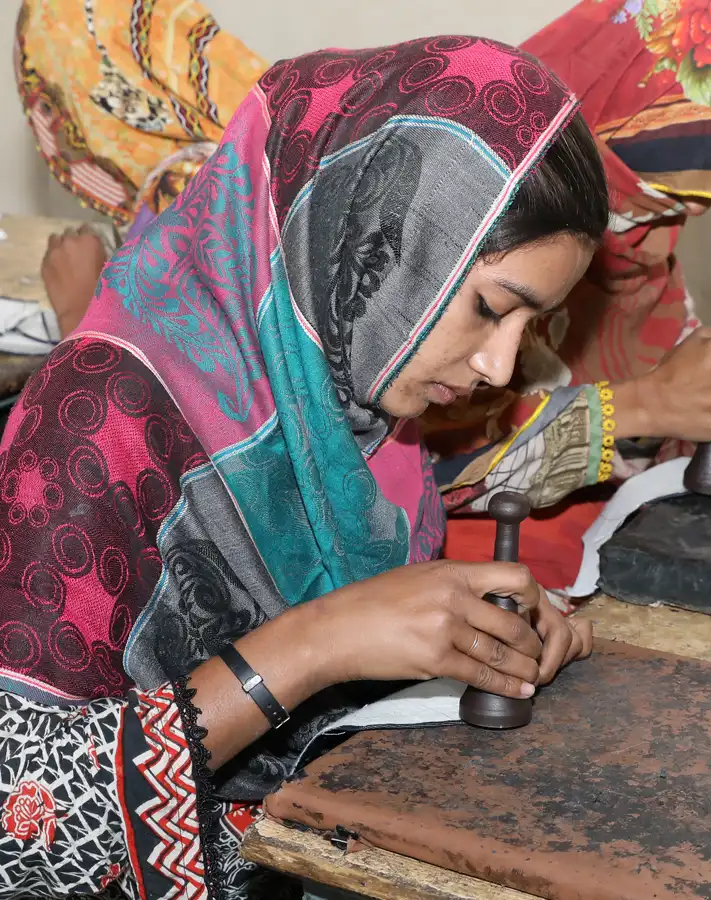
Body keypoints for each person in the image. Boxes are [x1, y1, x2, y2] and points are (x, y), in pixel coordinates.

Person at [0, 37, 600, 899]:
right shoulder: (100, 411)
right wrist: (314, 646)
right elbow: (20, 816)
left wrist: (470, 634)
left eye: (529, 327)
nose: (500, 367)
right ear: (374, 238)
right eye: (487, 311)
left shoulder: (355, 407)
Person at [24, 0, 711, 594]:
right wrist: (647, 407)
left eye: (701, 199)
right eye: (664, 181)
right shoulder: (422, 222)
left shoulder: (586, 246)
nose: (500, 363)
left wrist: (706, 418)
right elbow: (403, 448)